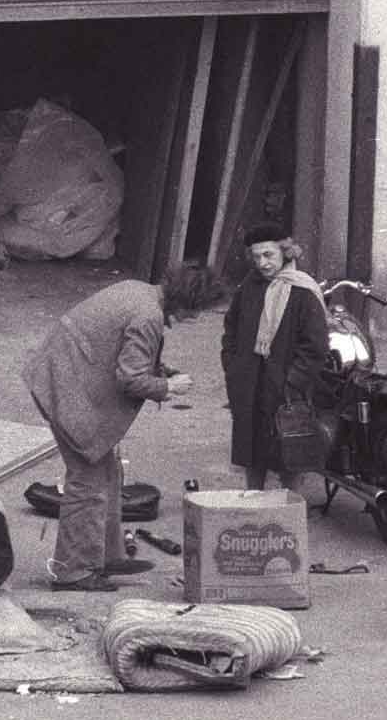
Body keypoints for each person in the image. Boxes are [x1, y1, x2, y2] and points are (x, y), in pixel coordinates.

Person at [23, 262, 222, 592]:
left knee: (110, 473)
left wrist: (160, 369)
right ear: (185, 301)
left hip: (61, 374)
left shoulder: (139, 290)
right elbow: (131, 378)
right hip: (66, 387)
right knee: (87, 482)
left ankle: (104, 553)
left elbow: (121, 348)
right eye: (196, 311)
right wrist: (167, 387)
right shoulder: (148, 317)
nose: (196, 319)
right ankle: (73, 572)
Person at [221, 223, 331, 492]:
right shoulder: (249, 287)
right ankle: (255, 500)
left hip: (284, 387)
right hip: (250, 383)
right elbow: (231, 328)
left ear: (286, 252)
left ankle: (287, 511)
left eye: (268, 255)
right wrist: (232, 365)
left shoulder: (303, 291)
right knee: (252, 449)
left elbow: (315, 346)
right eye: (257, 256)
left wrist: (292, 383)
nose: (262, 263)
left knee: (288, 451)